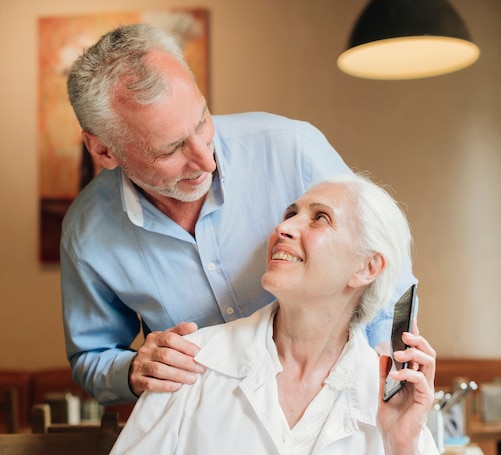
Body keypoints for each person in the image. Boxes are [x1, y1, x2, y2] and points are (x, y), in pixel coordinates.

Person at [60, 175, 460, 455]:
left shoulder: (389, 396)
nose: (283, 228)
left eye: (319, 218)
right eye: (290, 214)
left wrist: (403, 445)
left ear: (367, 266)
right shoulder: (190, 360)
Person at [60, 23, 417, 406]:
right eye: (170, 149)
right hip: (208, 428)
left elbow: (385, 266)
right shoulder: (87, 234)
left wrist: (389, 374)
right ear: (103, 151)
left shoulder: (291, 149)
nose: (204, 160)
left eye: (202, 122)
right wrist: (131, 370)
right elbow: (91, 357)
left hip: (342, 403)